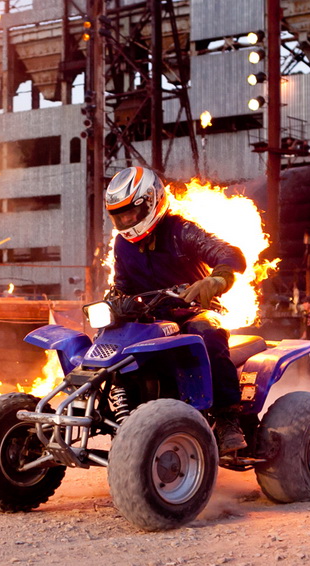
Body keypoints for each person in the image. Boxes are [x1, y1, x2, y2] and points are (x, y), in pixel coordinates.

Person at [106, 166, 248, 454]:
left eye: (131, 213)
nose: (126, 220)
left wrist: (217, 278)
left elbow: (229, 253)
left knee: (205, 333)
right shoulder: (122, 245)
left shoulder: (180, 231)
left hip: (196, 311)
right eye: (119, 215)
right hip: (152, 318)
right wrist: (117, 301)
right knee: (111, 336)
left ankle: (227, 418)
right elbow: (122, 284)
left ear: (151, 202)